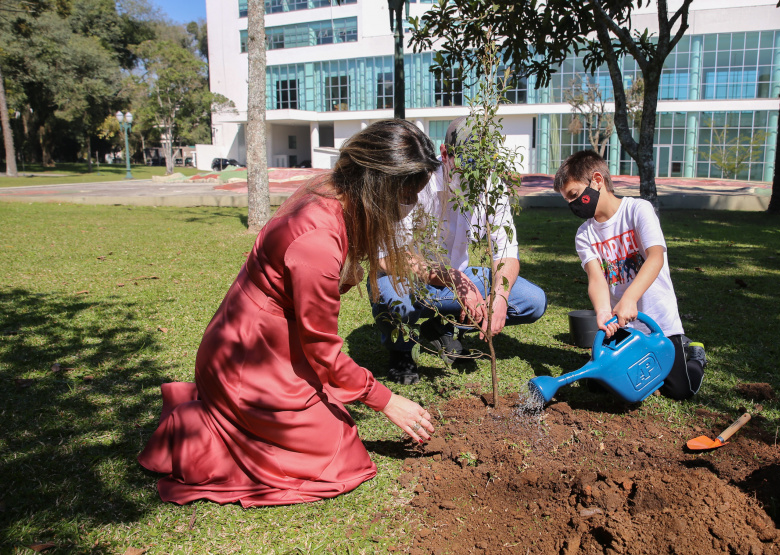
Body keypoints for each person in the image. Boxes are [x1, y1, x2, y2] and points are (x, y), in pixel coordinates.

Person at [138, 120, 439, 507]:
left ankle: (231, 415)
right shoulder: (318, 239)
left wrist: (435, 275)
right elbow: (324, 351)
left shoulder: (331, 191)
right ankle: (198, 431)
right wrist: (386, 400)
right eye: (406, 197)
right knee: (342, 458)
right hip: (249, 358)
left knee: (335, 424)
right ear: (377, 189)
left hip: (269, 343)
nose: (410, 208)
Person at [370, 117, 547, 384]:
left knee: (532, 301)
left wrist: (499, 296)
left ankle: (446, 324)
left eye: (483, 168)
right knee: (396, 301)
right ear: (445, 154)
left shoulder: (492, 187)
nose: (475, 179)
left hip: (459, 280)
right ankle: (401, 351)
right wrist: (452, 278)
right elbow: (389, 256)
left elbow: (506, 253)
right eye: (466, 167)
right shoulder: (418, 182)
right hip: (410, 280)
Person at [553, 150, 705, 400]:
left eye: (574, 195)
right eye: (567, 200)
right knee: (600, 386)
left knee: (679, 390)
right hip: (622, 327)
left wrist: (630, 298)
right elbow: (596, 278)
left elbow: (656, 257)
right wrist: (603, 311)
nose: (572, 205)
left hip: (659, 322)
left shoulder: (638, 210)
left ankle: (695, 356)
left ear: (597, 180)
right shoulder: (584, 234)